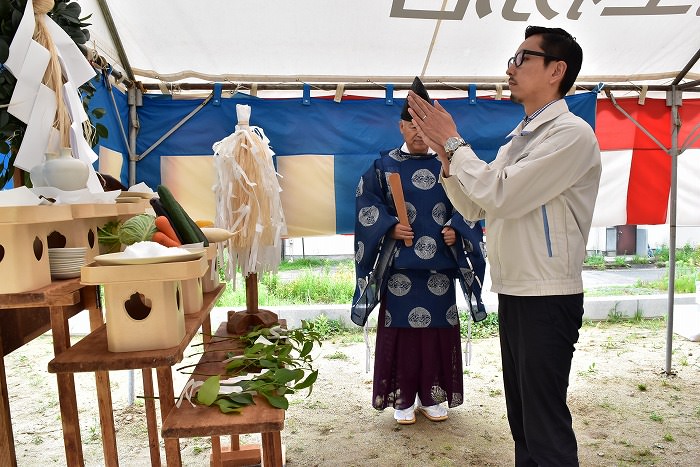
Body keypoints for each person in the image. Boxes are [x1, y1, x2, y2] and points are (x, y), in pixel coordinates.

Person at [408, 26, 601, 465]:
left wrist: (456, 143)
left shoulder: (570, 135)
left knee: (544, 422)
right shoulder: (522, 136)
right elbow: (477, 206)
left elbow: (502, 194)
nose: (510, 68)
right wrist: (447, 158)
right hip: (516, 289)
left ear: (557, 70)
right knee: (523, 421)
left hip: (548, 294)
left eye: (522, 58)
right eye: (511, 59)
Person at [352, 77, 487, 425]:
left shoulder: (449, 164)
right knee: (402, 337)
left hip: (440, 269)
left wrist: (457, 229)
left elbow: (471, 202)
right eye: (410, 124)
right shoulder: (383, 168)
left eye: (422, 125)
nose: (416, 131)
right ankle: (403, 399)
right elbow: (365, 204)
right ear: (400, 125)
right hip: (400, 270)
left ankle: (434, 396)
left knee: (436, 335)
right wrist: (388, 226)